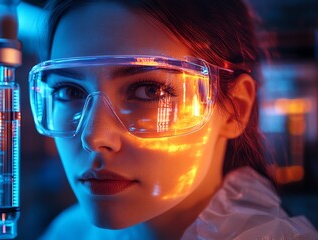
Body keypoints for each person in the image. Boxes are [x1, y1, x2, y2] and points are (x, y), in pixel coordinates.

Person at [28, 0, 318, 239]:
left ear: (235, 109)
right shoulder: (70, 231)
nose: (94, 137)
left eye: (149, 91)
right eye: (69, 90)